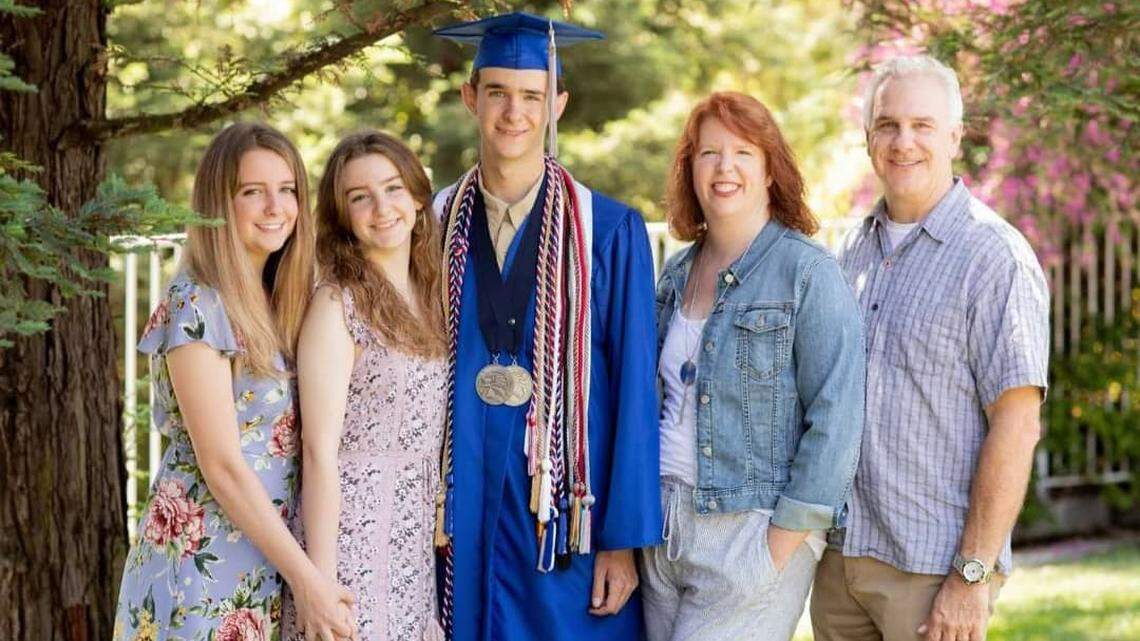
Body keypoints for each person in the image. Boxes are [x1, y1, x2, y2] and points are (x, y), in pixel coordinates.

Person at [430, 12, 662, 641]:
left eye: (532, 95)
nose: (514, 112)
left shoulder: (608, 233)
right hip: (461, 511)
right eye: (498, 92)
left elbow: (636, 394)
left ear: (556, 104)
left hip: (563, 523)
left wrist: (623, 544)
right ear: (470, 97)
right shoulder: (433, 226)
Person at [810, 55, 1050, 641]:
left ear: (954, 136)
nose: (903, 141)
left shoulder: (994, 257)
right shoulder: (851, 251)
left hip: (932, 572)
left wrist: (972, 575)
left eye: (922, 125)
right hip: (840, 565)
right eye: (888, 125)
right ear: (869, 139)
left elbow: (1017, 426)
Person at [112, 122, 356, 641]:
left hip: (262, 564)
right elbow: (222, 465)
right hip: (200, 564)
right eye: (253, 191)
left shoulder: (280, 303)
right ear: (219, 203)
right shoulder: (196, 303)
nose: (276, 207)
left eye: (287, 189)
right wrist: (309, 581)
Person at [639, 92, 865, 641]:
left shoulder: (806, 273)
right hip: (663, 532)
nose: (724, 167)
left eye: (743, 151)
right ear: (690, 170)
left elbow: (837, 417)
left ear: (770, 169)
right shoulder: (676, 273)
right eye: (708, 153)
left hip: (750, 531)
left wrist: (778, 546)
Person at [281, 131, 447, 641]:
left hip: (411, 538)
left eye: (393, 188)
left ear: (418, 197)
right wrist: (321, 584)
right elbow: (318, 451)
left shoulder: (432, 291)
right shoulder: (338, 304)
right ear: (342, 216)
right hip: (351, 535)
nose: (382, 208)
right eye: (360, 197)